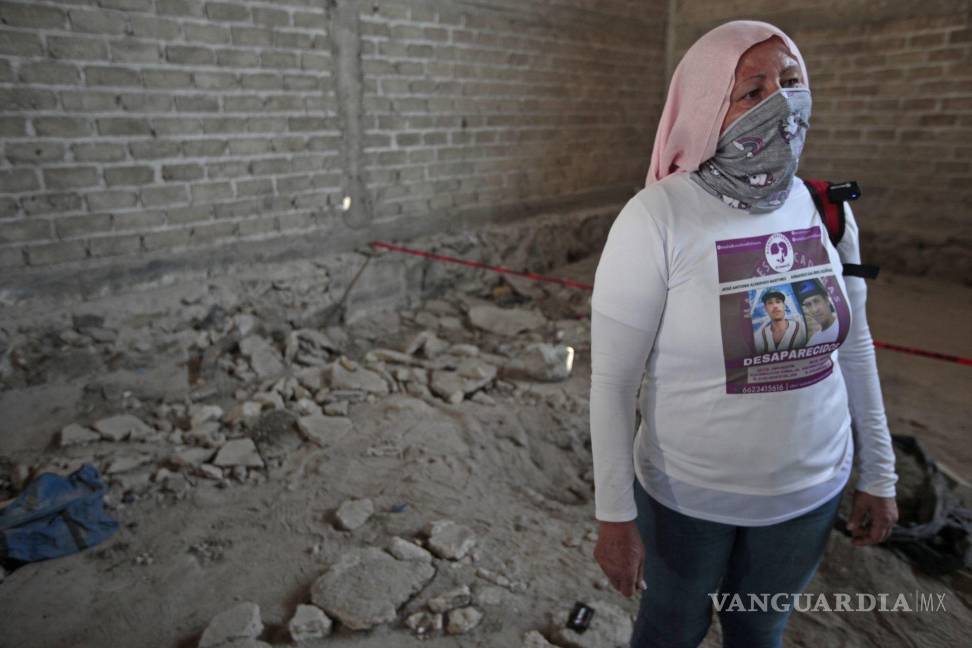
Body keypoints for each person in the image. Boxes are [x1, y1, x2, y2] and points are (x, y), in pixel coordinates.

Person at [589, 20, 898, 648]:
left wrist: (880, 472)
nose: (782, 104)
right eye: (752, 92)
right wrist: (615, 516)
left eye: (791, 82)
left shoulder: (827, 210)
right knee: (672, 626)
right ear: (706, 110)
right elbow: (614, 384)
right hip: (686, 500)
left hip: (810, 493)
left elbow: (855, 347)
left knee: (759, 628)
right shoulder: (657, 218)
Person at [753, 289, 807, 353]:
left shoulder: (802, 328)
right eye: (770, 303)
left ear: (784, 306)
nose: (775, 306)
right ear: (765, 308)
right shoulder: (759, 337)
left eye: (778, 302)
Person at [797, 280, 839, 346]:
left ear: (827, 300)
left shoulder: (844, 325)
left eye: (816, 301)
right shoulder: (812, 342)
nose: (814, 309)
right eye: (808, 305)